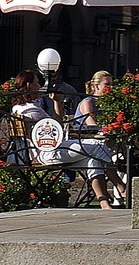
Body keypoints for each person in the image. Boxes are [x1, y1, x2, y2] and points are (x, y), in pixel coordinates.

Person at [10, 69, 125, 209]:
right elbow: (57, 127)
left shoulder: (20, 108)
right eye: (37, 83)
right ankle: (121, 187)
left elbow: (55, 126)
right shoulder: (31, 110)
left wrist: (56, 103)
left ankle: (104, 202)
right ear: (28, 86)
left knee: (92, 158)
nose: (40, 86)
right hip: (47, 153)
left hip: (41, 152)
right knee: (98, 145)